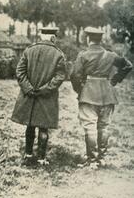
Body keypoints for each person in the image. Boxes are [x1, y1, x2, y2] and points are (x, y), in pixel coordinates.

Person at [70, 27, 132, 166]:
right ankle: (101, 159)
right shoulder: (110, 55)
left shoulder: (83, 55)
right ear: (100, 40)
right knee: (103, 127)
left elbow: (75, 75)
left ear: (88, 39)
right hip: (107, 93)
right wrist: (115, 79)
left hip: (89, 93)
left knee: (90, 126)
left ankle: (92, 160)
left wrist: (80, 90)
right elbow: (128, 65)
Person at [11, 27, 67, 166]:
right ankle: (41, 158)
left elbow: (20, 72)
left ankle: (28, 154)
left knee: (30, 125)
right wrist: (45, 90)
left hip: (29, 95)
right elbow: (60, 76)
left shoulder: (29, 50)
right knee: (43, 127)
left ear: (41, 36)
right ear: (53, 38)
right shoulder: (58, 54)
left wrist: (28, 88)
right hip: (46, 97)